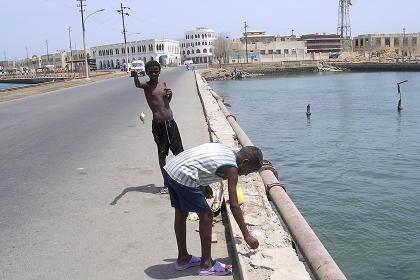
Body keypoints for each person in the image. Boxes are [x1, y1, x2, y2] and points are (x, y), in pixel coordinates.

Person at [163, 142, 262, 276]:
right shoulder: (232, 169)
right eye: (248, 171)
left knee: (181, 212)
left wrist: (204, 184)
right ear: (244, 162)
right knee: (207, 216)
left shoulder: (227, 151)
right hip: (184, 175)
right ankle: (206, 264)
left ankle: (183, 259)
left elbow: (203, 163)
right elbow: (234, 205)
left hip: (171, 169)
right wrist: (246, 235)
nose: (245, 175)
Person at [131, 60, 184, 194]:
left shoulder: (163, 84)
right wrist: (135, 75)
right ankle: (166, 183)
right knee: (162, 154)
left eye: (156, 71)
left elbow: (166, 103)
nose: (153, 73)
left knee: (179, 153)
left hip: (171, 122)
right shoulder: (147, 86)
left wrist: (169, 95)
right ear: (147, 73)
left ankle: (182, 180)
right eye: (151, 71)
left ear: (159, 71)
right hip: (159, 125)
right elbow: (137, 84)